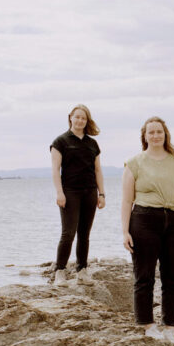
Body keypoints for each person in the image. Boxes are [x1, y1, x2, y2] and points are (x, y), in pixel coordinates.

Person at [121, 116, 174, 345]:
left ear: (165, 135)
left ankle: (171, 327)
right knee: (144, 276)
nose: (155, 135)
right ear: (144, 136)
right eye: (151, 132)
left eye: (159, 132)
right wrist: (125, 232)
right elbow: (126, 201)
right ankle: (147, 324)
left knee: (172, 278)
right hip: (144, 220)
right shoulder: (134, 163)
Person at [49, 104, 105, 287]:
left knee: (84, 234)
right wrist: (59, 192)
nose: (80, 120)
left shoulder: (92, 144)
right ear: (70, 118)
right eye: (77, 117)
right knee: (68, 233)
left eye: (84, 118)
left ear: (86, 121)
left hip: (89, 192)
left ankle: (82, 271)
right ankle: (60, 272)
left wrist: (101, 193)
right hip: (69, 192)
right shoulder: (60, 142)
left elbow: (98, 170)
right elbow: (56, 170)